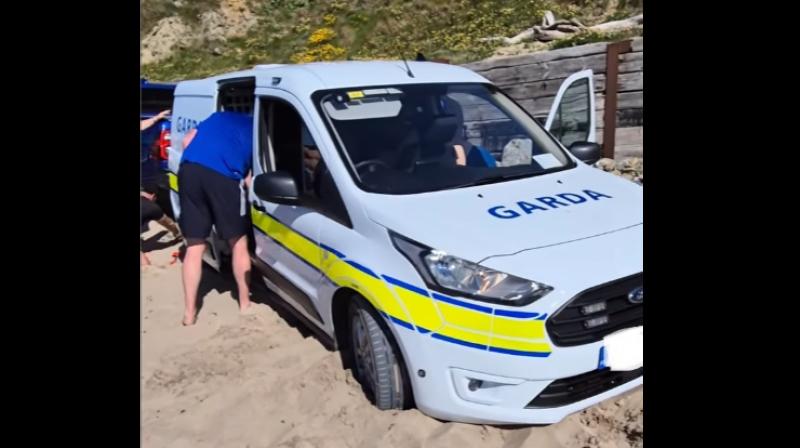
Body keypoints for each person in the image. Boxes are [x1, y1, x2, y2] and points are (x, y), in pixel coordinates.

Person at [178, 111, 254, 326]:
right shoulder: (257, 128)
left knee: (194, 246)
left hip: (189, 170)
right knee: (238, 242)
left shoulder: (217, 117)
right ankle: (245, 303)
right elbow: (248, 177)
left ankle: (189, 313)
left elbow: (186, 141)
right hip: (223, 177)